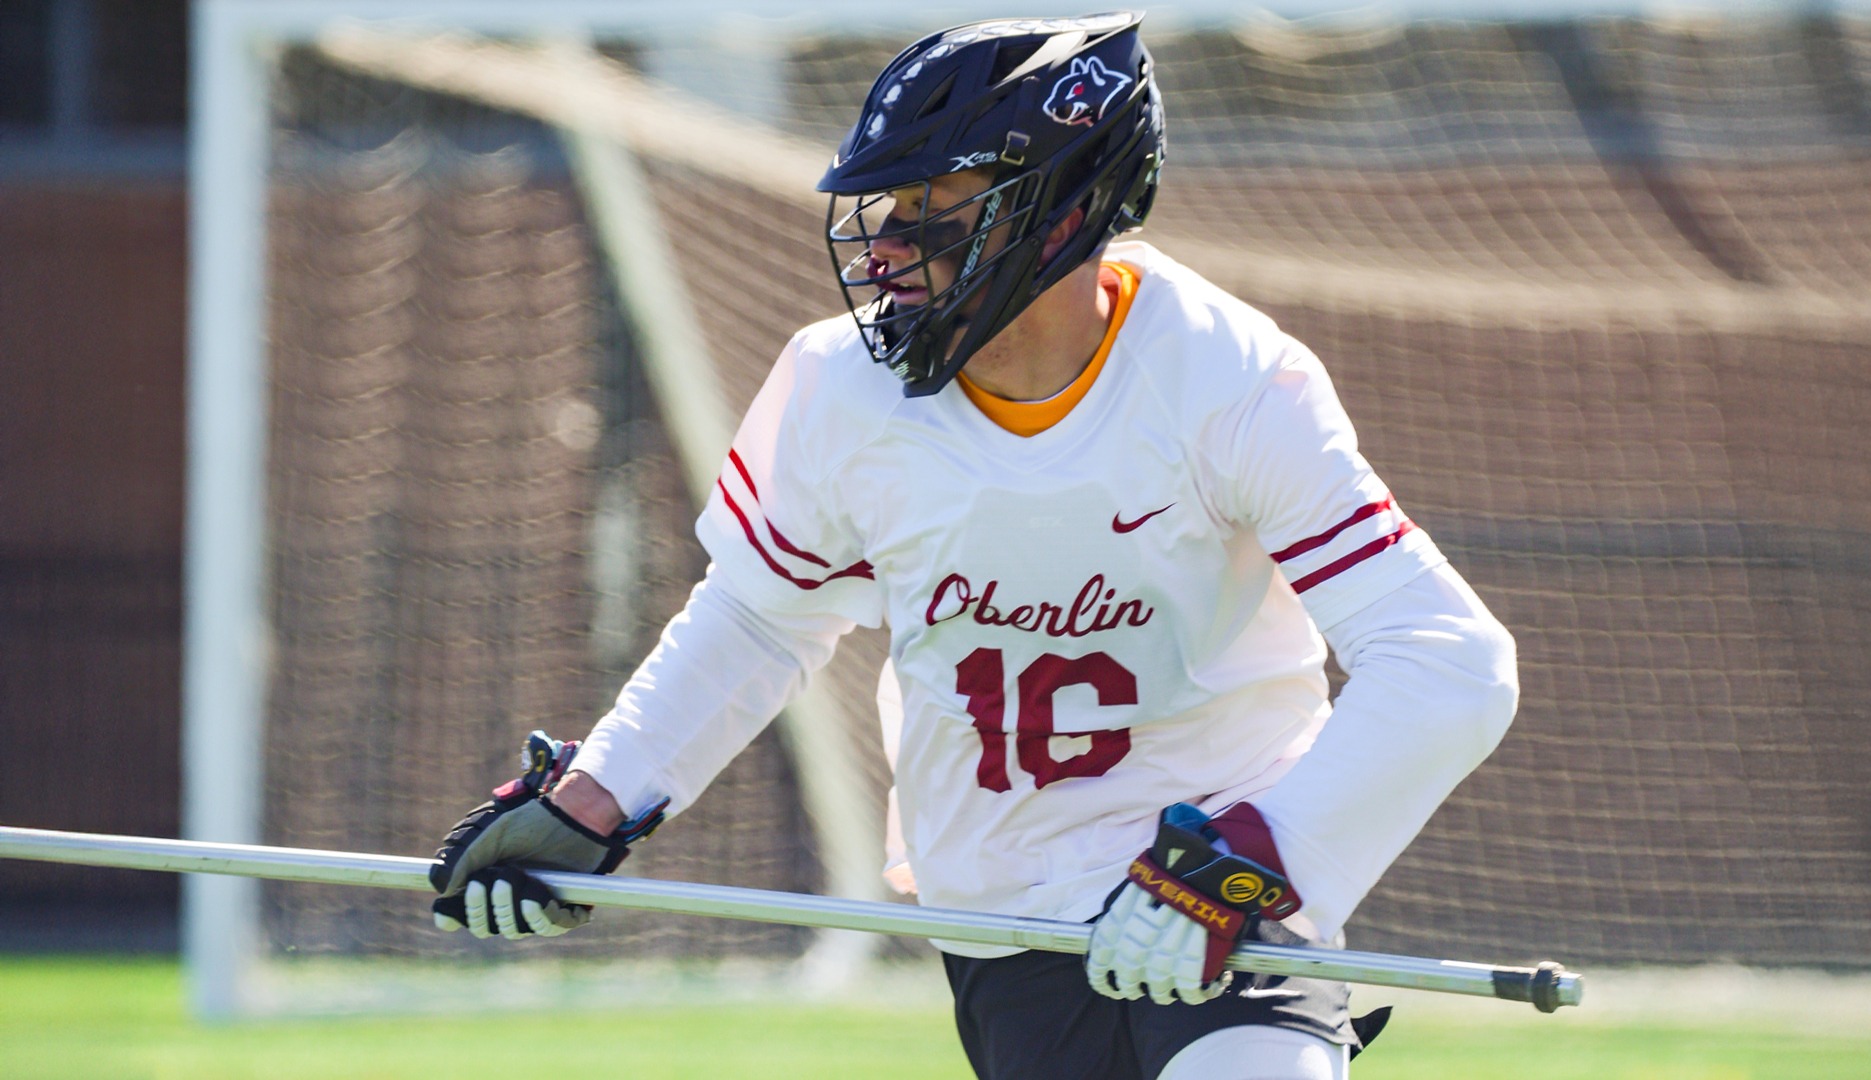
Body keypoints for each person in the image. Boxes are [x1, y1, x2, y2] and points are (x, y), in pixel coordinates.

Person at [426, 14, 1518, 1080]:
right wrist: (595, 799)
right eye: (886, 208)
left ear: (1063, 208)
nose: (885, 247)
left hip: (1219, 901)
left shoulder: (1225, 377)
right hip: (1004, 918)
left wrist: (1247, 866)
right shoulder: (838, 387)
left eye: (932, 209)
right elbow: (762, 618)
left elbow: (1448, 660)